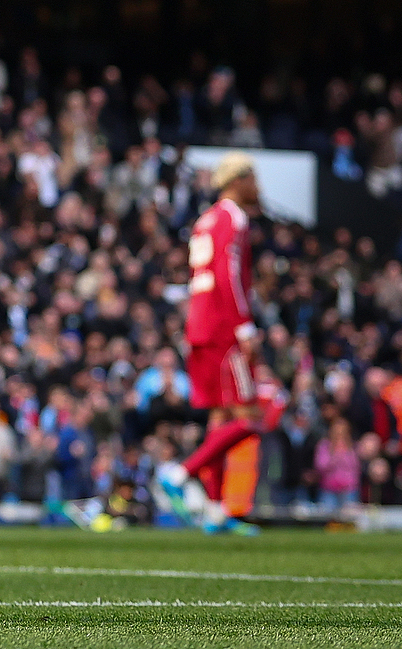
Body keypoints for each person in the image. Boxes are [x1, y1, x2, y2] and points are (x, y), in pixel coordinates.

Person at [158, 152, 263, 535]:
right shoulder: (233, 217)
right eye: (253, 177)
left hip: (198, 325)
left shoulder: (206, 218)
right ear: (239, 179)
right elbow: (229, 273)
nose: (258, 185)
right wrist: (244, 327)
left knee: (219, 419)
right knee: (250, 417)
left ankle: (216, 511)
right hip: (222, 327)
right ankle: (181, 473)